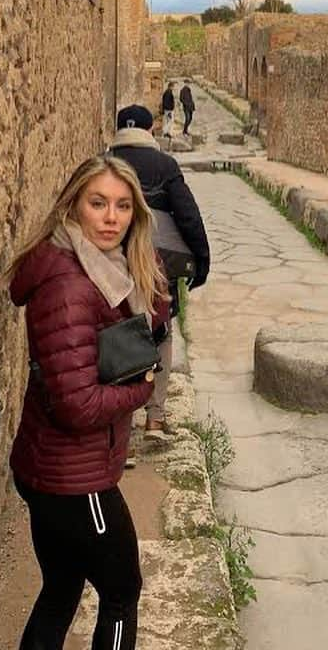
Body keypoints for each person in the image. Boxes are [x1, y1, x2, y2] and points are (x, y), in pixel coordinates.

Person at [6, 155, 169, 650]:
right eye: (98, 203)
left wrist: (143, 264)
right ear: (73, 206)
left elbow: (153, 312)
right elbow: (79, 405)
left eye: (123, 206)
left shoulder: (100, 267)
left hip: (52, 470)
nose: (111, 217)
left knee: (61, 588)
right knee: (121, 592)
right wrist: (143, 389)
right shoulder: (70, 286)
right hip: (75, 482)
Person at [111, 105, 210, 441]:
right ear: (149, 130)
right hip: (156, 265)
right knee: (161, 330)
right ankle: (155, 418)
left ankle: (122, 429)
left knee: (116, 335)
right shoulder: (164, 165)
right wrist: (201, 262)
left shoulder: (105, 164)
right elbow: (188, 217)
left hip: (112, 263)